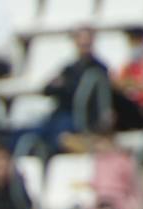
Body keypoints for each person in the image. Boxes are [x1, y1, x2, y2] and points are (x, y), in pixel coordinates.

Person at [10, 26, 111, 158]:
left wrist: (65, 86)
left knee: (57, 137)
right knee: (23, 134)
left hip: (79, 118)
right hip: (59, 115)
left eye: (86, 41)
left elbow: (87, 95)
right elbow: (48, 89)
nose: (83, 44)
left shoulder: (99, 69)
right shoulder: (69, 68)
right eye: (80, 40)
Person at [111, 27, 143, 132]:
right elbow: (117, 84)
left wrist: (132, 84)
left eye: (136, 41)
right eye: (132, 42)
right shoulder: (127, 65)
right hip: (130, 109)